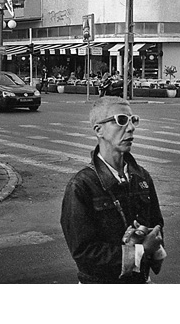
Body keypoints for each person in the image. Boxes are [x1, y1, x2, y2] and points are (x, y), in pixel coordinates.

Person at [60, 96, 167, 283]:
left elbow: (157, 227)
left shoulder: (142, 177)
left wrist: (149, 241)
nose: (131, 128)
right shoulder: (82, 186)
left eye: (133, 120)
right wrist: (139, 251)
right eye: (121, 120)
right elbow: (84, 254)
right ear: (98, 130)